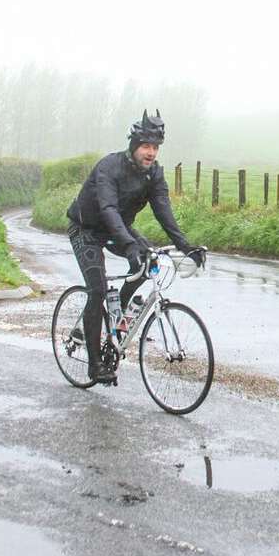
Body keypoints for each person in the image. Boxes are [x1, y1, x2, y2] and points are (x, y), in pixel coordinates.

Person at [66, 109, 206, 385]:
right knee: (96, 290)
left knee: (148, 262)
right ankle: (95, 366)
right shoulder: (109, 167)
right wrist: (128, 243)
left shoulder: (154, 175)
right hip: (88, 228)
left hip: (120, 229)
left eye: (155, 147)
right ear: (134, 146)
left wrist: (185, 246)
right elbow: (107, 209)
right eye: (146, 146)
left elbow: (164, 212)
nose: (151, 153)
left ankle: (118, 317)